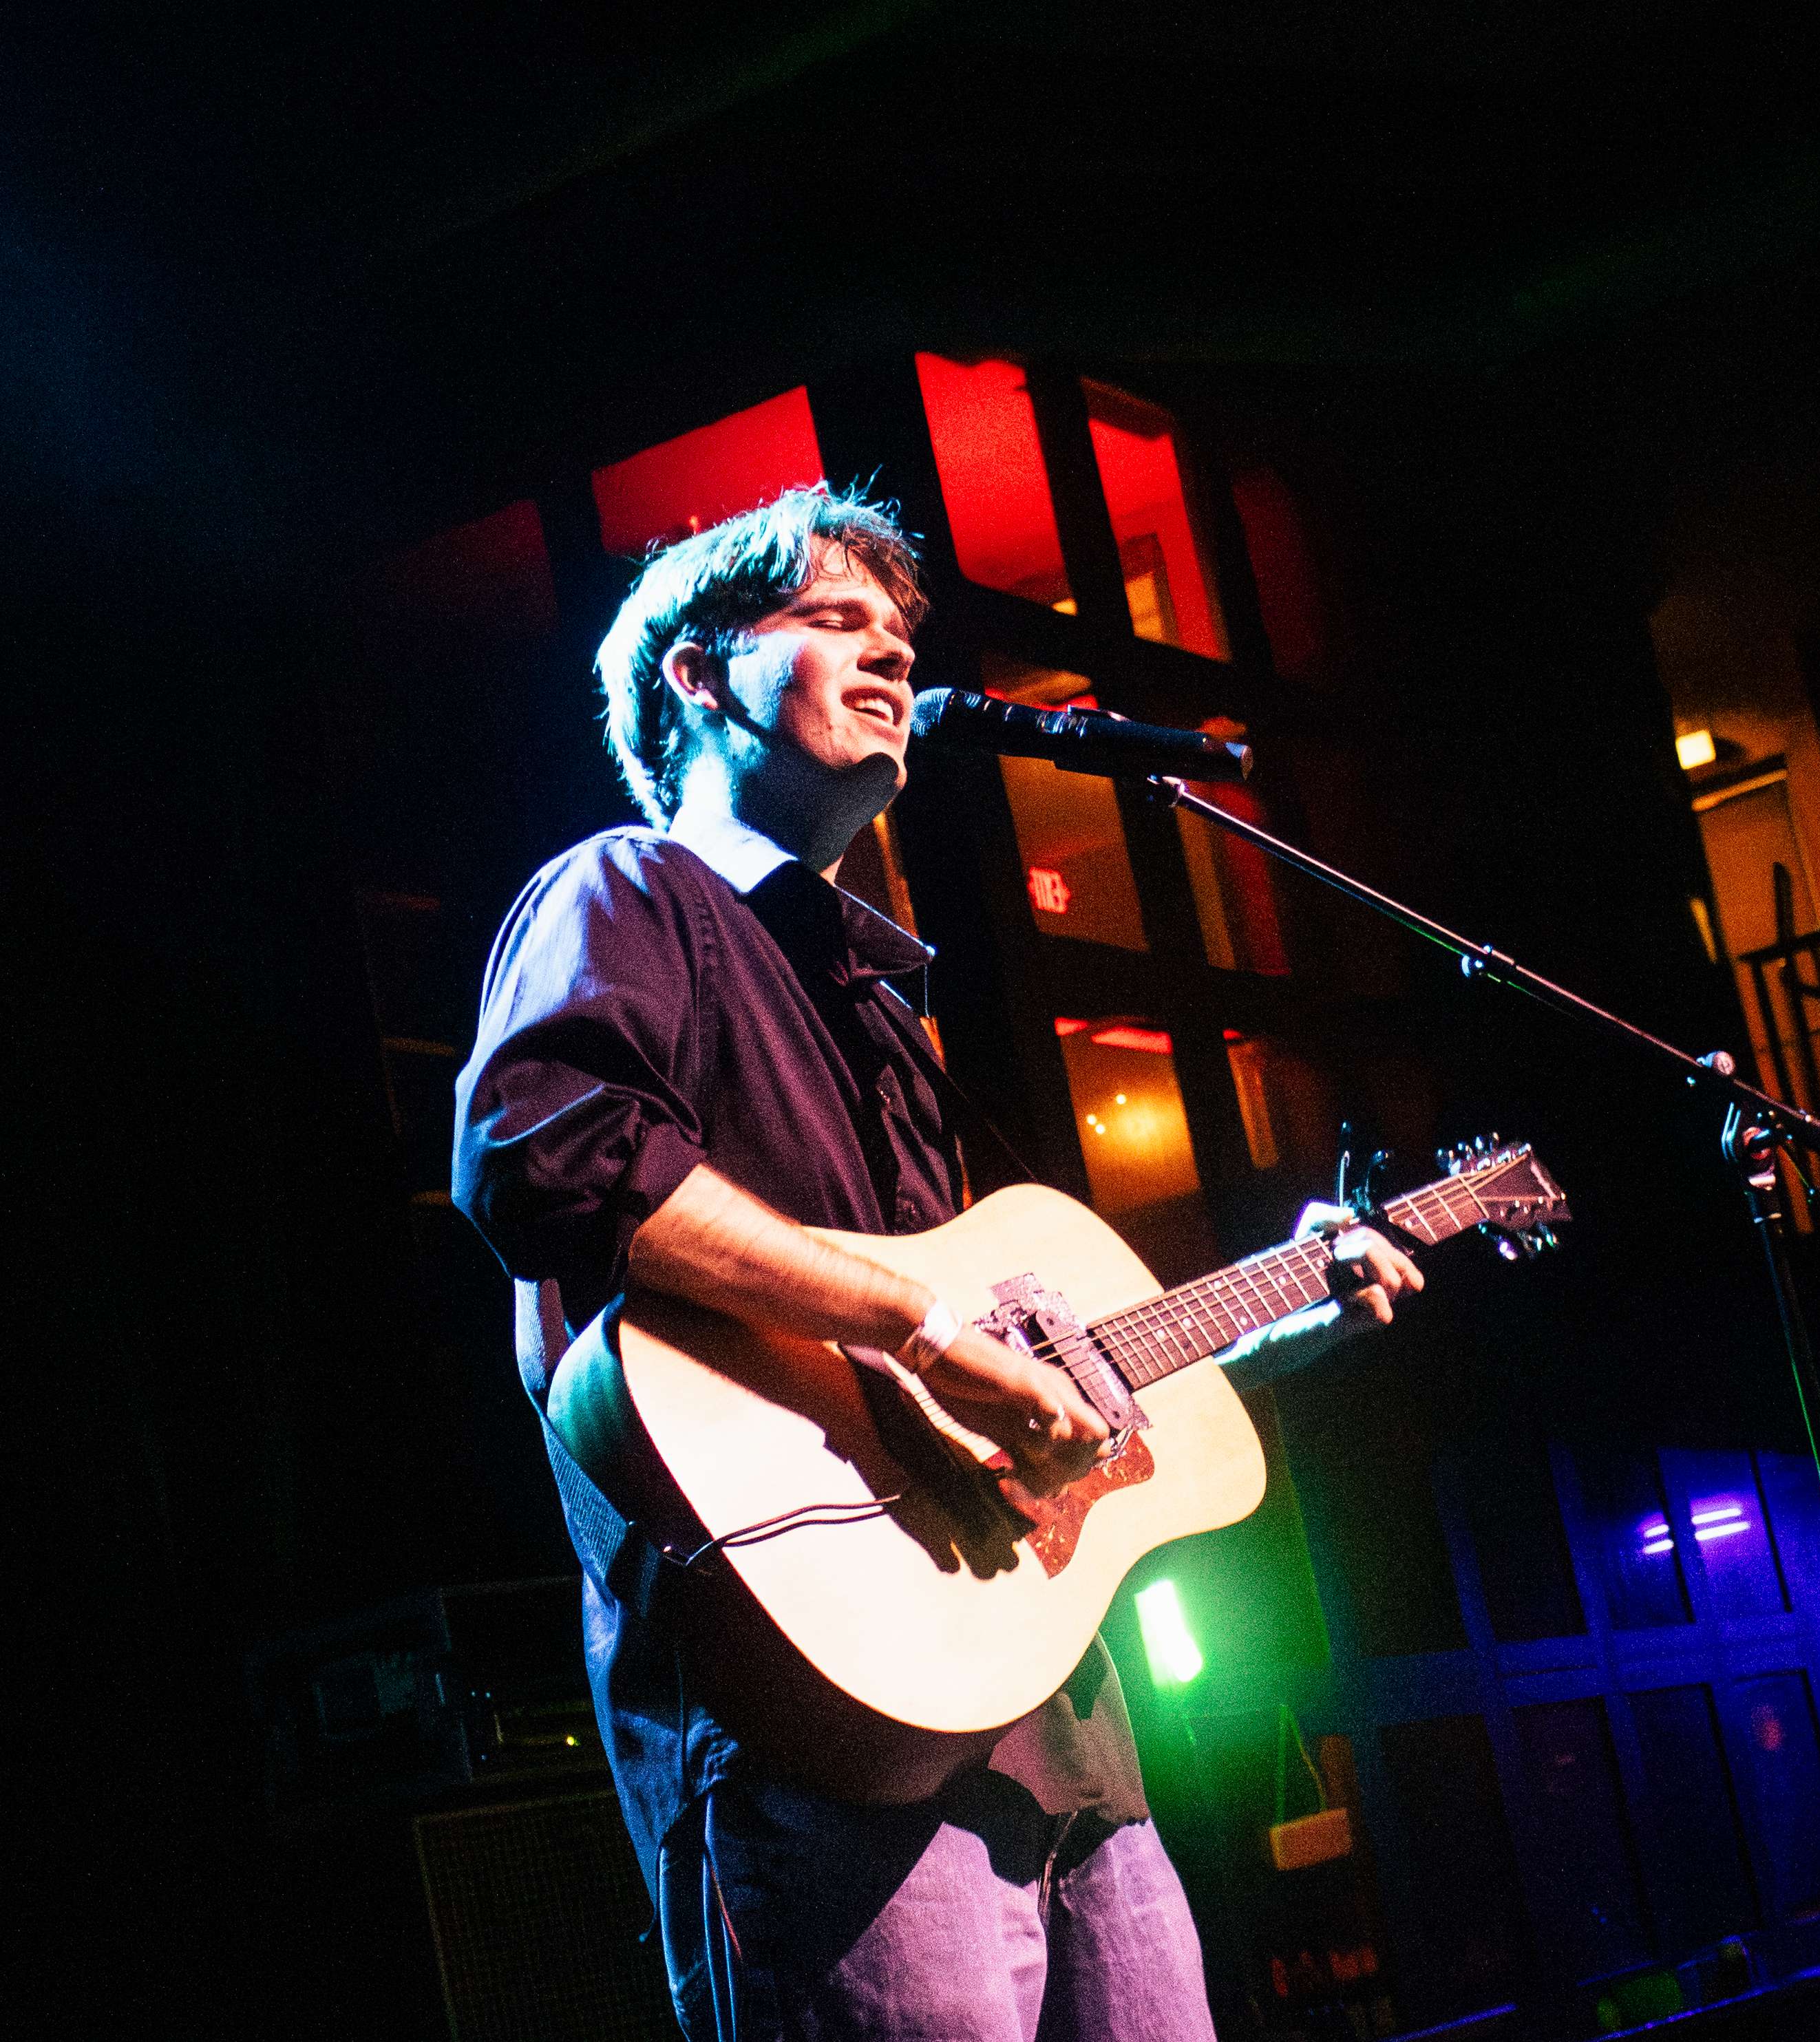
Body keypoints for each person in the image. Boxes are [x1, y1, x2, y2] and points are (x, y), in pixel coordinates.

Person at [452, 484, 1421, 2040]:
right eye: (836, 622)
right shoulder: (622, 895)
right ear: (695, 677)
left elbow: (1012, 1385)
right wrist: (910, 1316)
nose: (891, 657)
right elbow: (539, 1153)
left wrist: (1276, 1320)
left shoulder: (884, 1013)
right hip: (818, 1736)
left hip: (1057, 1727)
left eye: (900, 635)